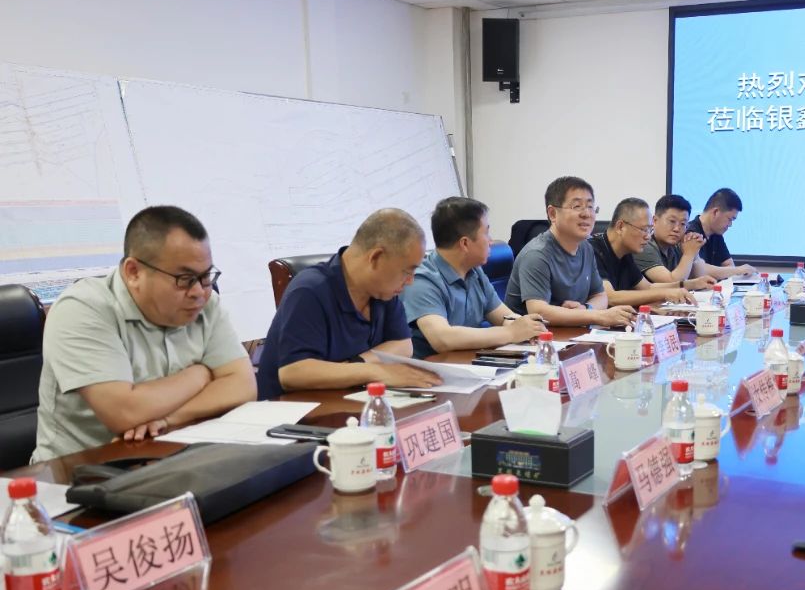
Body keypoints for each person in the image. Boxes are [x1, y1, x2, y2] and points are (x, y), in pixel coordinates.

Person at [33, 205, 256, 460]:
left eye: (206, 276)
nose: (199, 292)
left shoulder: (205, 304)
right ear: (134, 272)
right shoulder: (82, 309)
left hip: (173, 456)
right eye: (185, 279)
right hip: (80, 470)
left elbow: (243, 385)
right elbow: (125, 413)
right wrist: (200, 375)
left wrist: (167, 419)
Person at [256, 208, 440, 399]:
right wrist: (376, 371)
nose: (410, 281)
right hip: (293, 410)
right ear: (375, 257)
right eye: (407, 271)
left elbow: (403, 346)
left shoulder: (382, 291)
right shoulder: (310, 290)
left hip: (349, 401)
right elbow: (293, 373)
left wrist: (357, 363)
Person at [401, 196, 546, 357]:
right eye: (486, 233)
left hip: (468, 363)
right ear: (465, 243)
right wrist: (511, 333)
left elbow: (504, 317)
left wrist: (528, 327)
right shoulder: (421, 280)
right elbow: (442, 339)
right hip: (430, 367)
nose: (491, 241)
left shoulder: (474, 271)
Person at [503, 176, 635, 328]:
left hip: (570, 335)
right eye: (577, 206)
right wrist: (598, 316)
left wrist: (586, 309)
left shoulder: (586, 248)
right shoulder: (537, 254)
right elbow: (539, 311)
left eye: (590, 206)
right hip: (531, 339)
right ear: (553, 214)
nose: (586, 214)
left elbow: (600, 296)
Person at [587, 198, 695, 307]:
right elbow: (609, 297)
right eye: (644, 230)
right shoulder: (592, 250)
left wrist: (689, 284)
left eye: (649, 230)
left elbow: (648, 287)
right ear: (620, 227)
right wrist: (665, 294)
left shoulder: (625, 252)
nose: (648, 237)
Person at [633, 194, 714, 289]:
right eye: (672, 221)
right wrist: (689, 254)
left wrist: (694, 253)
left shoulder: (678, 245)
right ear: (654, 221)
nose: (676, 229)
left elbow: (701, 279)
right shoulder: (644, 246)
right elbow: (673, 282)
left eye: (683, 223)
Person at [687, 188, 755, 280]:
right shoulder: (691, 233)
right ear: (716, 212)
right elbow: (698, 269)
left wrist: (733, 270)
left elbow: (729, 265)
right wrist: (737, 270)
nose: (730, 225)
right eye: (730, 219)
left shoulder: (716, 233)